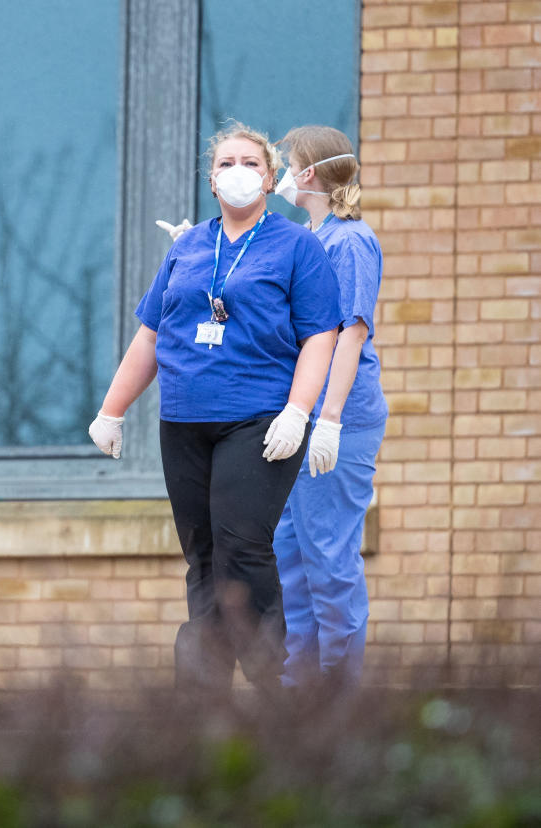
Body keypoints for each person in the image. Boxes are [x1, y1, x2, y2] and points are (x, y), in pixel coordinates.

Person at [89, 122, 340, 695]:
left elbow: (320, 336)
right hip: (183, 421)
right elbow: (150, 335)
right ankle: (200, 695)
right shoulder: (188, 247)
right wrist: (112, 410)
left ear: (271, 177)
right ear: (210, 179)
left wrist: (299, 412)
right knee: (202, 555)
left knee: (242, 545)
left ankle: (268, 681)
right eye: (226, 162)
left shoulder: (297, 245)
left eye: (251, 162)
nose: (238, 172)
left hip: (259, 419)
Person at [269, 126, 386, 692]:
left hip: (337, 422)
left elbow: (351, 333)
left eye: (289, 164)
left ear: (308, 173)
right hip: (300, 420)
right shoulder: (307, 240)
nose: (284, 174)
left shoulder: (351, 241)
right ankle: (301, 696)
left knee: (330, 559)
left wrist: (330, 419)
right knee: (293, 559)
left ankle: (340, 701)